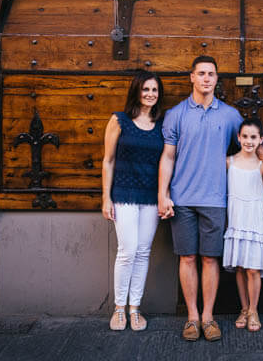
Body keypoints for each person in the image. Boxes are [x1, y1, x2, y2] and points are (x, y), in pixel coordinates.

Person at [158, 56, 263, 342]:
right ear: (192, 77)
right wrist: (163, 194)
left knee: (210, 259)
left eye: (211, 74)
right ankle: (192, 318)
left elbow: (249, 143)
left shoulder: (230, 115)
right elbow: (168, 157)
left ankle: (208, 318)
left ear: (216, 79)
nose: (206, 78)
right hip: (183, 197)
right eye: (201, 73)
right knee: (187, 258)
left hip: (216, 199)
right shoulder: (176, 115)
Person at [101, 70, 165, 332]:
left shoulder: (162, 124)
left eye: (154, 90)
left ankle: (135, 308)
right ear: (136, 91)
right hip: (125, 194)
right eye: (146, 89)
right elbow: (108, 160)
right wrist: (106, 197)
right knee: (127, 252)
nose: (150, 94)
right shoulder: (120, 120)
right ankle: (118, 309)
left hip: (150, 197)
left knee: (142, 252)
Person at [222, 118, 263, 333]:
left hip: (255, 218)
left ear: (261, 139)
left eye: (253, 137)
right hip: (236, 218)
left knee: (253, 268)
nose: (248, 141)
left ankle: (254, 309)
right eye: (244, 136)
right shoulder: (229, 162)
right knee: (241, 267)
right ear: (238, 138)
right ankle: (243, 308)